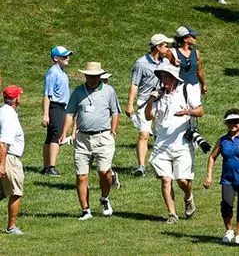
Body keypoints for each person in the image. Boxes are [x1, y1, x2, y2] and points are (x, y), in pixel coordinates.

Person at [143, 63, 202, 224]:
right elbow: (149, 117)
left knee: (182, 180)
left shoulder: (186, 89)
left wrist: (188, 112)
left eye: (167, 76)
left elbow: (200, 111)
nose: (164, 79)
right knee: (165, 179)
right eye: (162, 76)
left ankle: (188, 197)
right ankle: (172, 214)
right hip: (162, 144)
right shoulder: (158, 95)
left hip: (183, 143)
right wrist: (150, 100)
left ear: (174, 78)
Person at [63, 61, 120, 221]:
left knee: (103, 172)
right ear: (85, 76)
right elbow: (70, 113)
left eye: (95, 76)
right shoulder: (78, 92)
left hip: (103, 137)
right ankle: (85, 210)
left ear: (99, 76)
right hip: (82, 139)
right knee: (81, 176)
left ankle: (104, 198)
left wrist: (113, 131)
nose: (92, 79)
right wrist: (64, 133)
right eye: (89, 76)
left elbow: (115, 112)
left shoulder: (108, 91)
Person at [126, 34, 171, 177]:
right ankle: (141, 166)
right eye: (165, 45)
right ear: (158, 47)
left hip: (161, 102)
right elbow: (134, 84)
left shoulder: (167, 62)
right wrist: (130, 104)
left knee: (160, 135)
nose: (167, 48)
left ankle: (159, 164)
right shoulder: (141, 63)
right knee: (144, 134)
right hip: (145, 102)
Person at [203, 109, 239, 244]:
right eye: (230, 122)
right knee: (226, 204)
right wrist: (209, 176)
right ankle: (229, 230)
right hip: (227, 179)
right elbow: (212, 157)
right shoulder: (223, 140)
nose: (233, 124)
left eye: (237, 121)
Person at [42, 46, 73, 177]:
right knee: (56, 136)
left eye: (68, 55)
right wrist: (45, 114)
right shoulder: (53, 72)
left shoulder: (61, 72)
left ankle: (46, 166)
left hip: (61, 107)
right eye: (64, 56)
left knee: (50, 138)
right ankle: (51, 167)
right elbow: (47, 95)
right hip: (56, 107)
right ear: (56, 58)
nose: (67, 58)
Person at [0, 83, 26, 234]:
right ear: (17, 99)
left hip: (5, 156)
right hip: (8, 158)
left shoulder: (2, 111)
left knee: (1, 192)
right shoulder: (9, 117)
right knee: (15, 192)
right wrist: (2, 165)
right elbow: (3, 143)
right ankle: (12, 227)